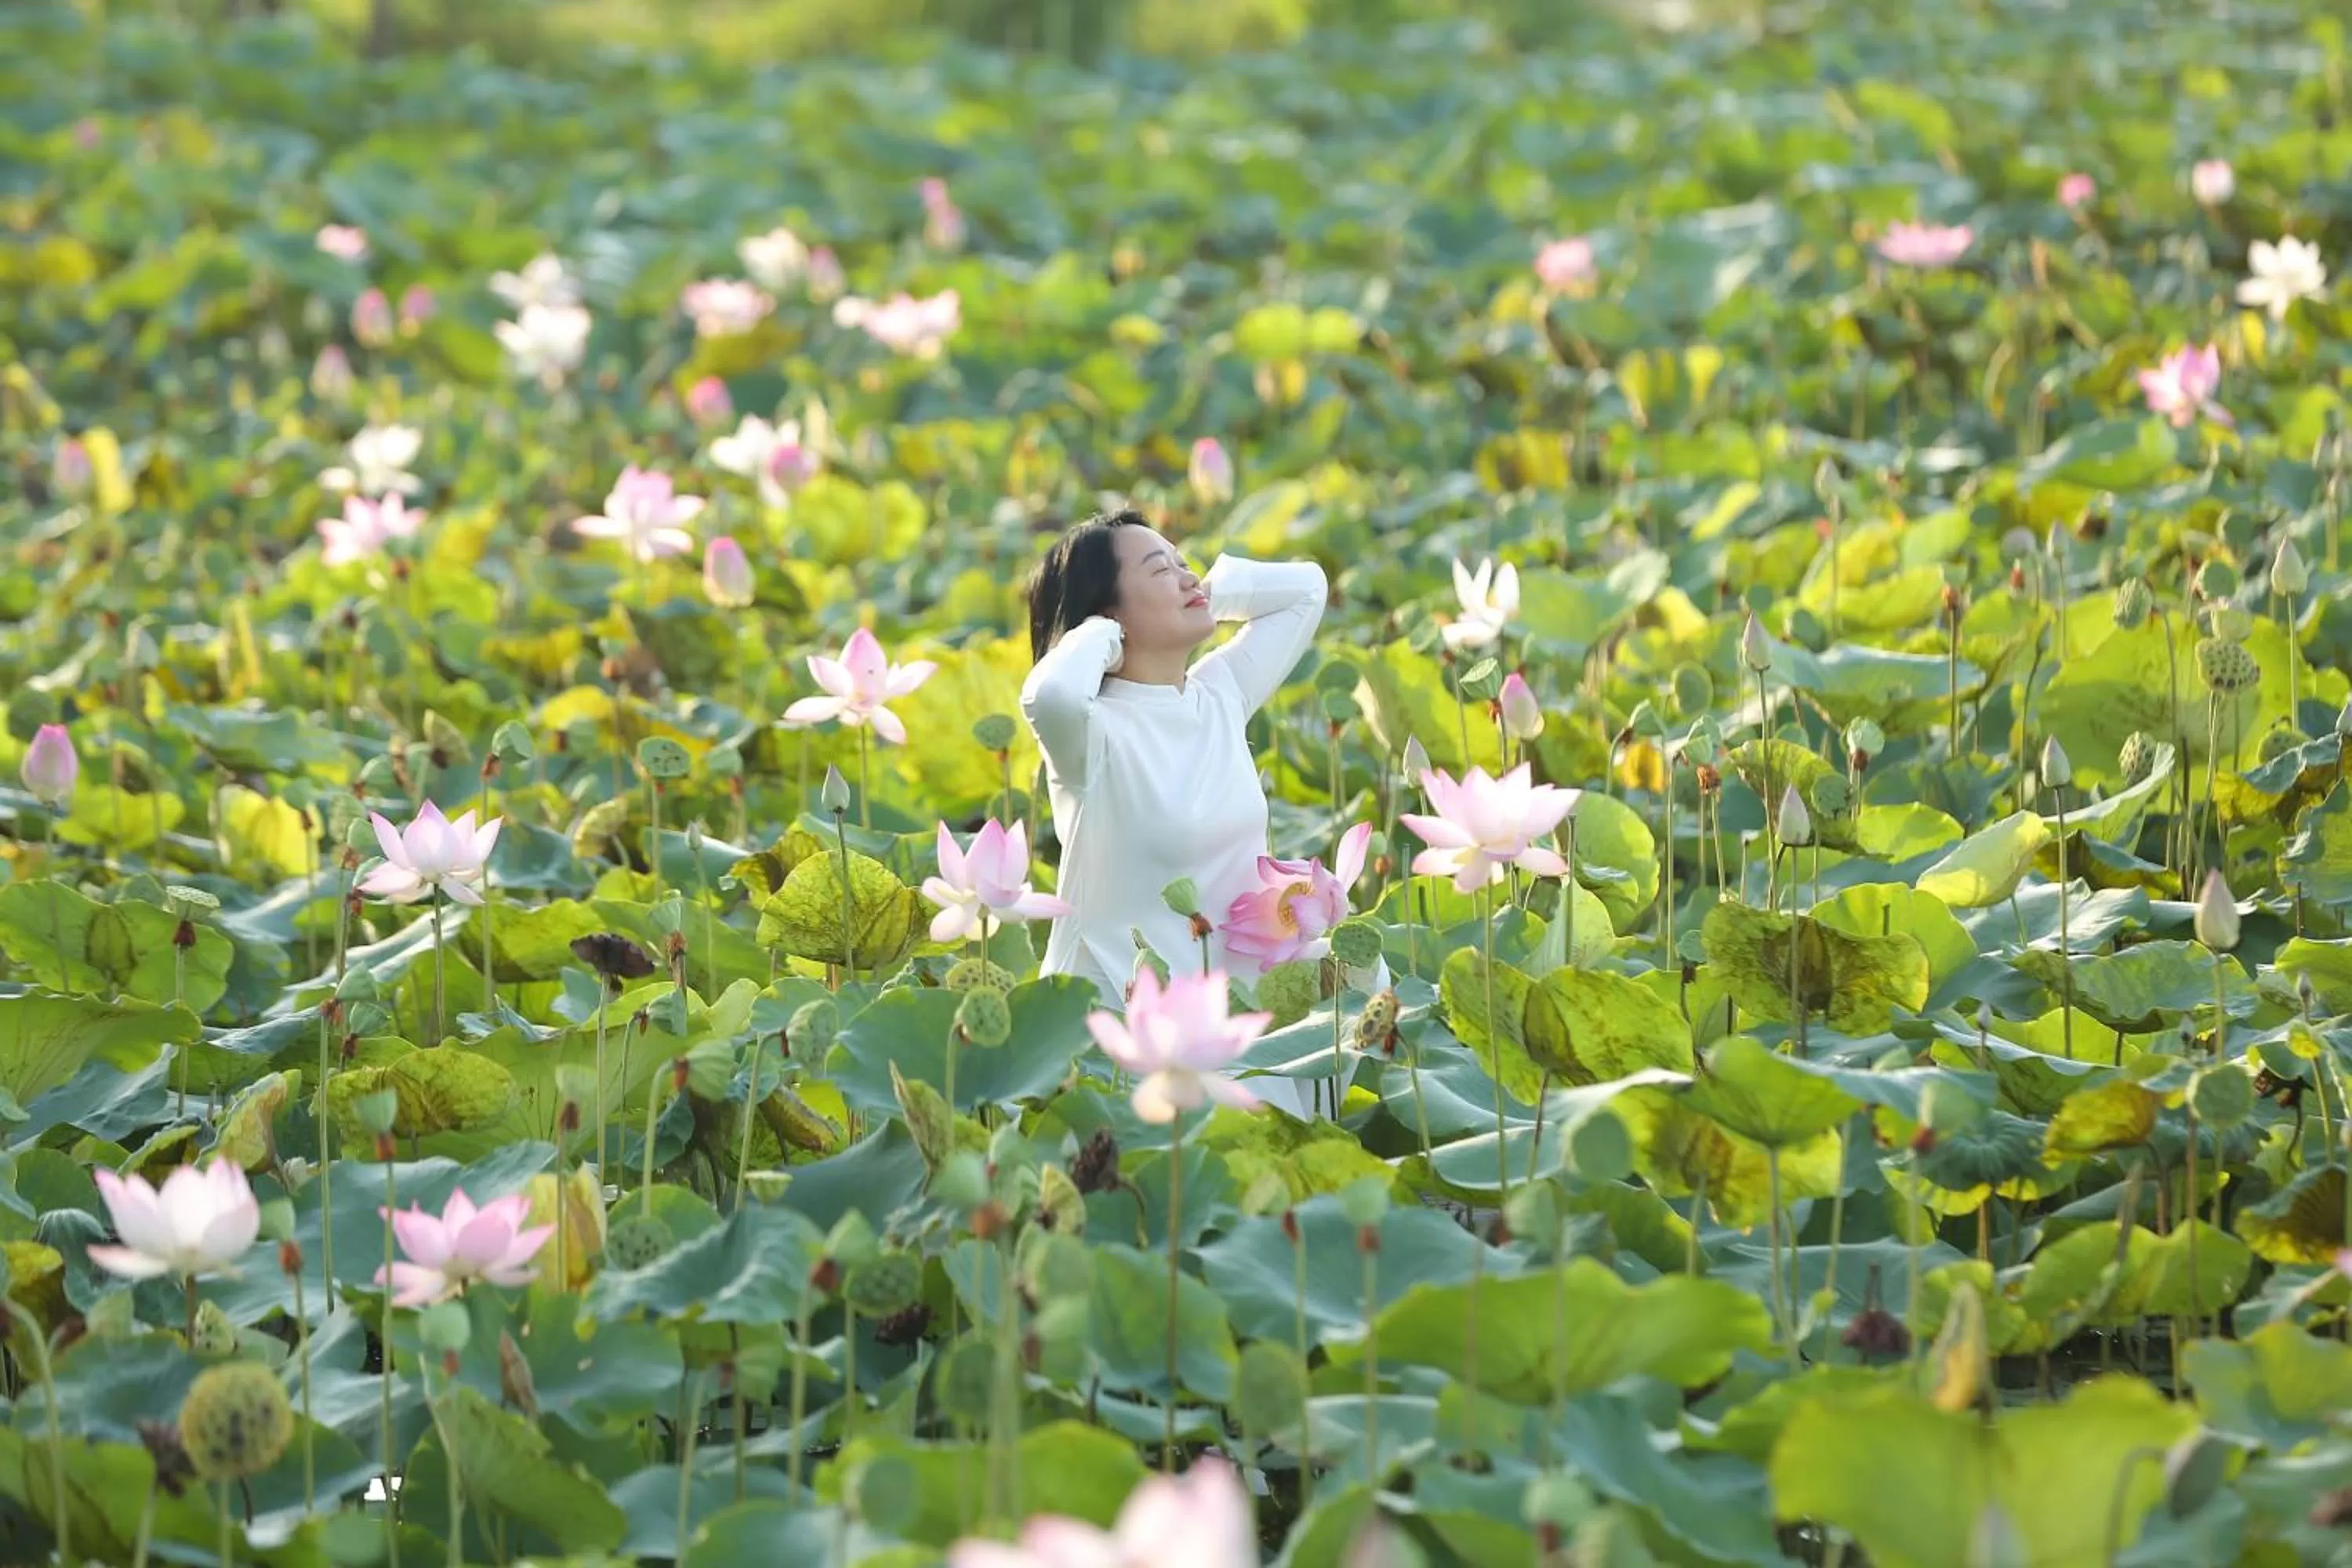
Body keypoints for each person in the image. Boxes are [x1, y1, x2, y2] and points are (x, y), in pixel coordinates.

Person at [1020, 507, 1327, 1116]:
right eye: (1162, 569)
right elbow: (1049, 693)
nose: (1186, 577)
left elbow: (1308, 590)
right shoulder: (1092, 738)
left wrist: (1209, 589)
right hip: (1123, 1031)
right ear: (1109, 612)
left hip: (1232, 1012)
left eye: (1184, 562)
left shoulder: (1220, 695)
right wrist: (1103, 638)